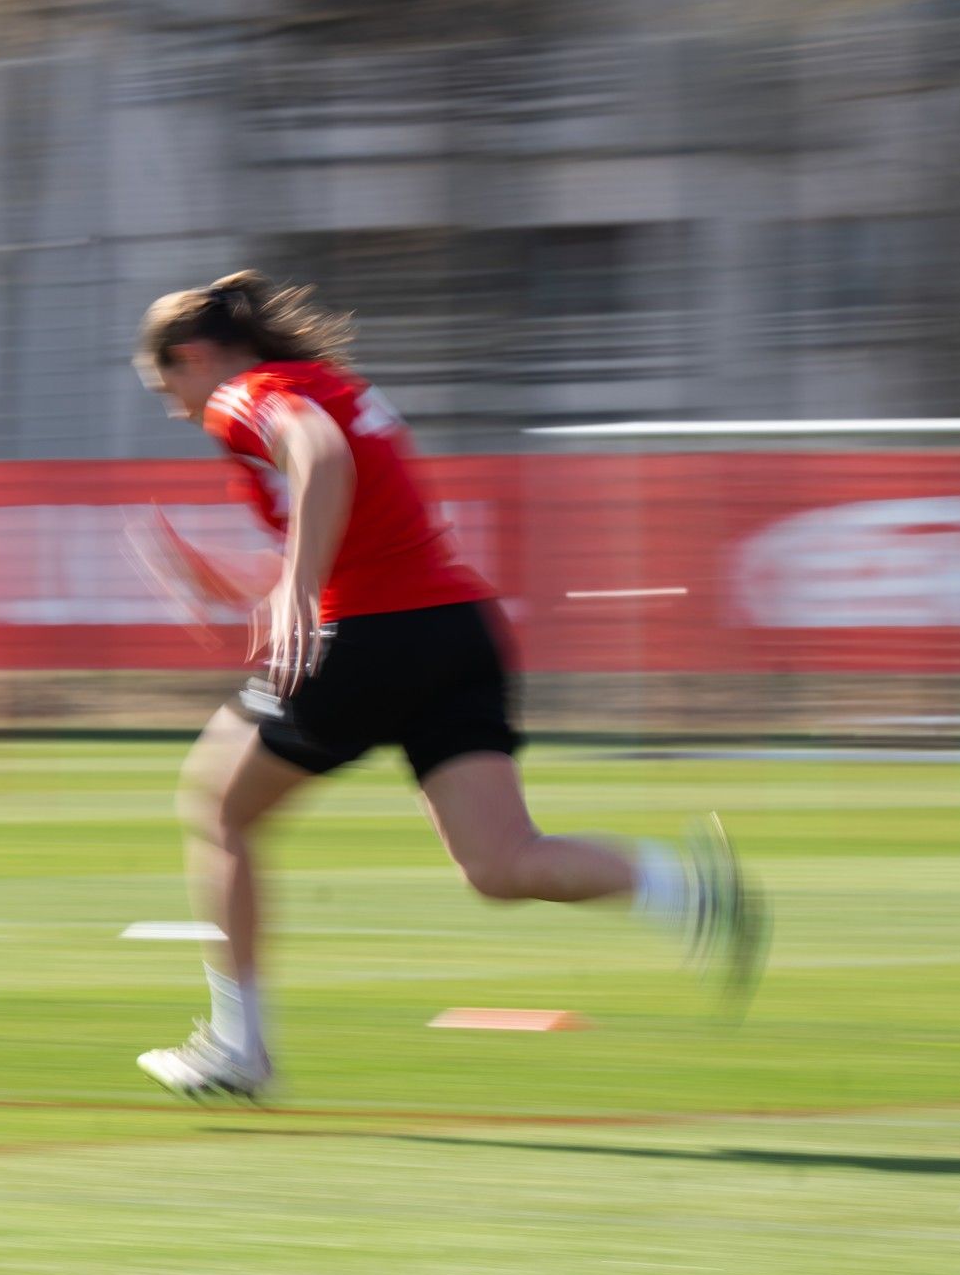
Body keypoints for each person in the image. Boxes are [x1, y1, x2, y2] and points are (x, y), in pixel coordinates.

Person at [130, 270, 762, 1099]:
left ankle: (238, 1047)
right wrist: (259, 582)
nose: (175, 406)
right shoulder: (327, 383)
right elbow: (364, 526)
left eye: (166, 383)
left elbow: (319, 458)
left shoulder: (245, 394)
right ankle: (681, 887)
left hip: (375, 637)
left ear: (194, 355)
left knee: (218, 806)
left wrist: (294, 589)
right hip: (456, 630)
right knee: (502, 863)